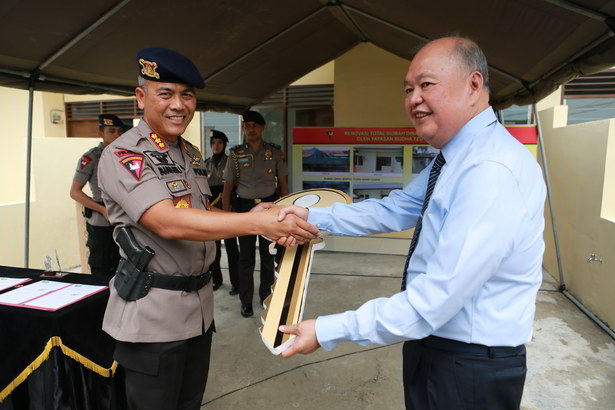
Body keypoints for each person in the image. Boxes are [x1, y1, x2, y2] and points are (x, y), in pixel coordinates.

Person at [277, 36, 547, 409]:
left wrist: (325, 330)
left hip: (468, 365)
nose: (413, 99)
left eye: (426, 84)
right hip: (437, 347)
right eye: (408, 88)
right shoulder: (456, 157)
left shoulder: (490, 170)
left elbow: (433, 302)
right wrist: (308, 215)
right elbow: (396, 208)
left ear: (473, 85)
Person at [97, 47, 318, 410]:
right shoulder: (124, 154)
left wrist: (262, 212)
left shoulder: (189, 153)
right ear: (141, 98)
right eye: (165, 93)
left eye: (187, 95)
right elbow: (165, 220)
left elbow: (203, 213)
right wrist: (253, 223)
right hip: (152, 316)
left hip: (198, 312)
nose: (178, 105)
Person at [222, 110, 288, 318]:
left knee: (269, 257)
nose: (251, 129)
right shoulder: (235, 154)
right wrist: (226, 213)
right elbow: (228, 186)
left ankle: (265, 297)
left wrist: (285, 209)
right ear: (243, 128)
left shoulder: (275, 153)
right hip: (245, 209)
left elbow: (283, 183)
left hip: (270, 208)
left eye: (254, 125)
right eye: (247, 125)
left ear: (262, 128)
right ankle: (246, 301)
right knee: (246, 258)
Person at [70, 114, 125, 275]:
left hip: (124, 220)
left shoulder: (126, 155)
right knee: (101, 268)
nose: (117, 135)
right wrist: (102, 210)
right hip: (102, 223)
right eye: (111, 131)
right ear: (100, 133)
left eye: (119, 131)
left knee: (123, 268)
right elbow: (75, 192)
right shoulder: (91, 157)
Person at [203, 129, 240, 293]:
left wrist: (231, 204)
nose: (216, 146)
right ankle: (216, 280)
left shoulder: (231, 162)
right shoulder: (205, 163)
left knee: (232, 249)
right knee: (214, 248)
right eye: (213, 143)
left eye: (219, 143)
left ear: (224, 145)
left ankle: (236, 283)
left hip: (228, 206)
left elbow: (236, 185)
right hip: (211, 210)